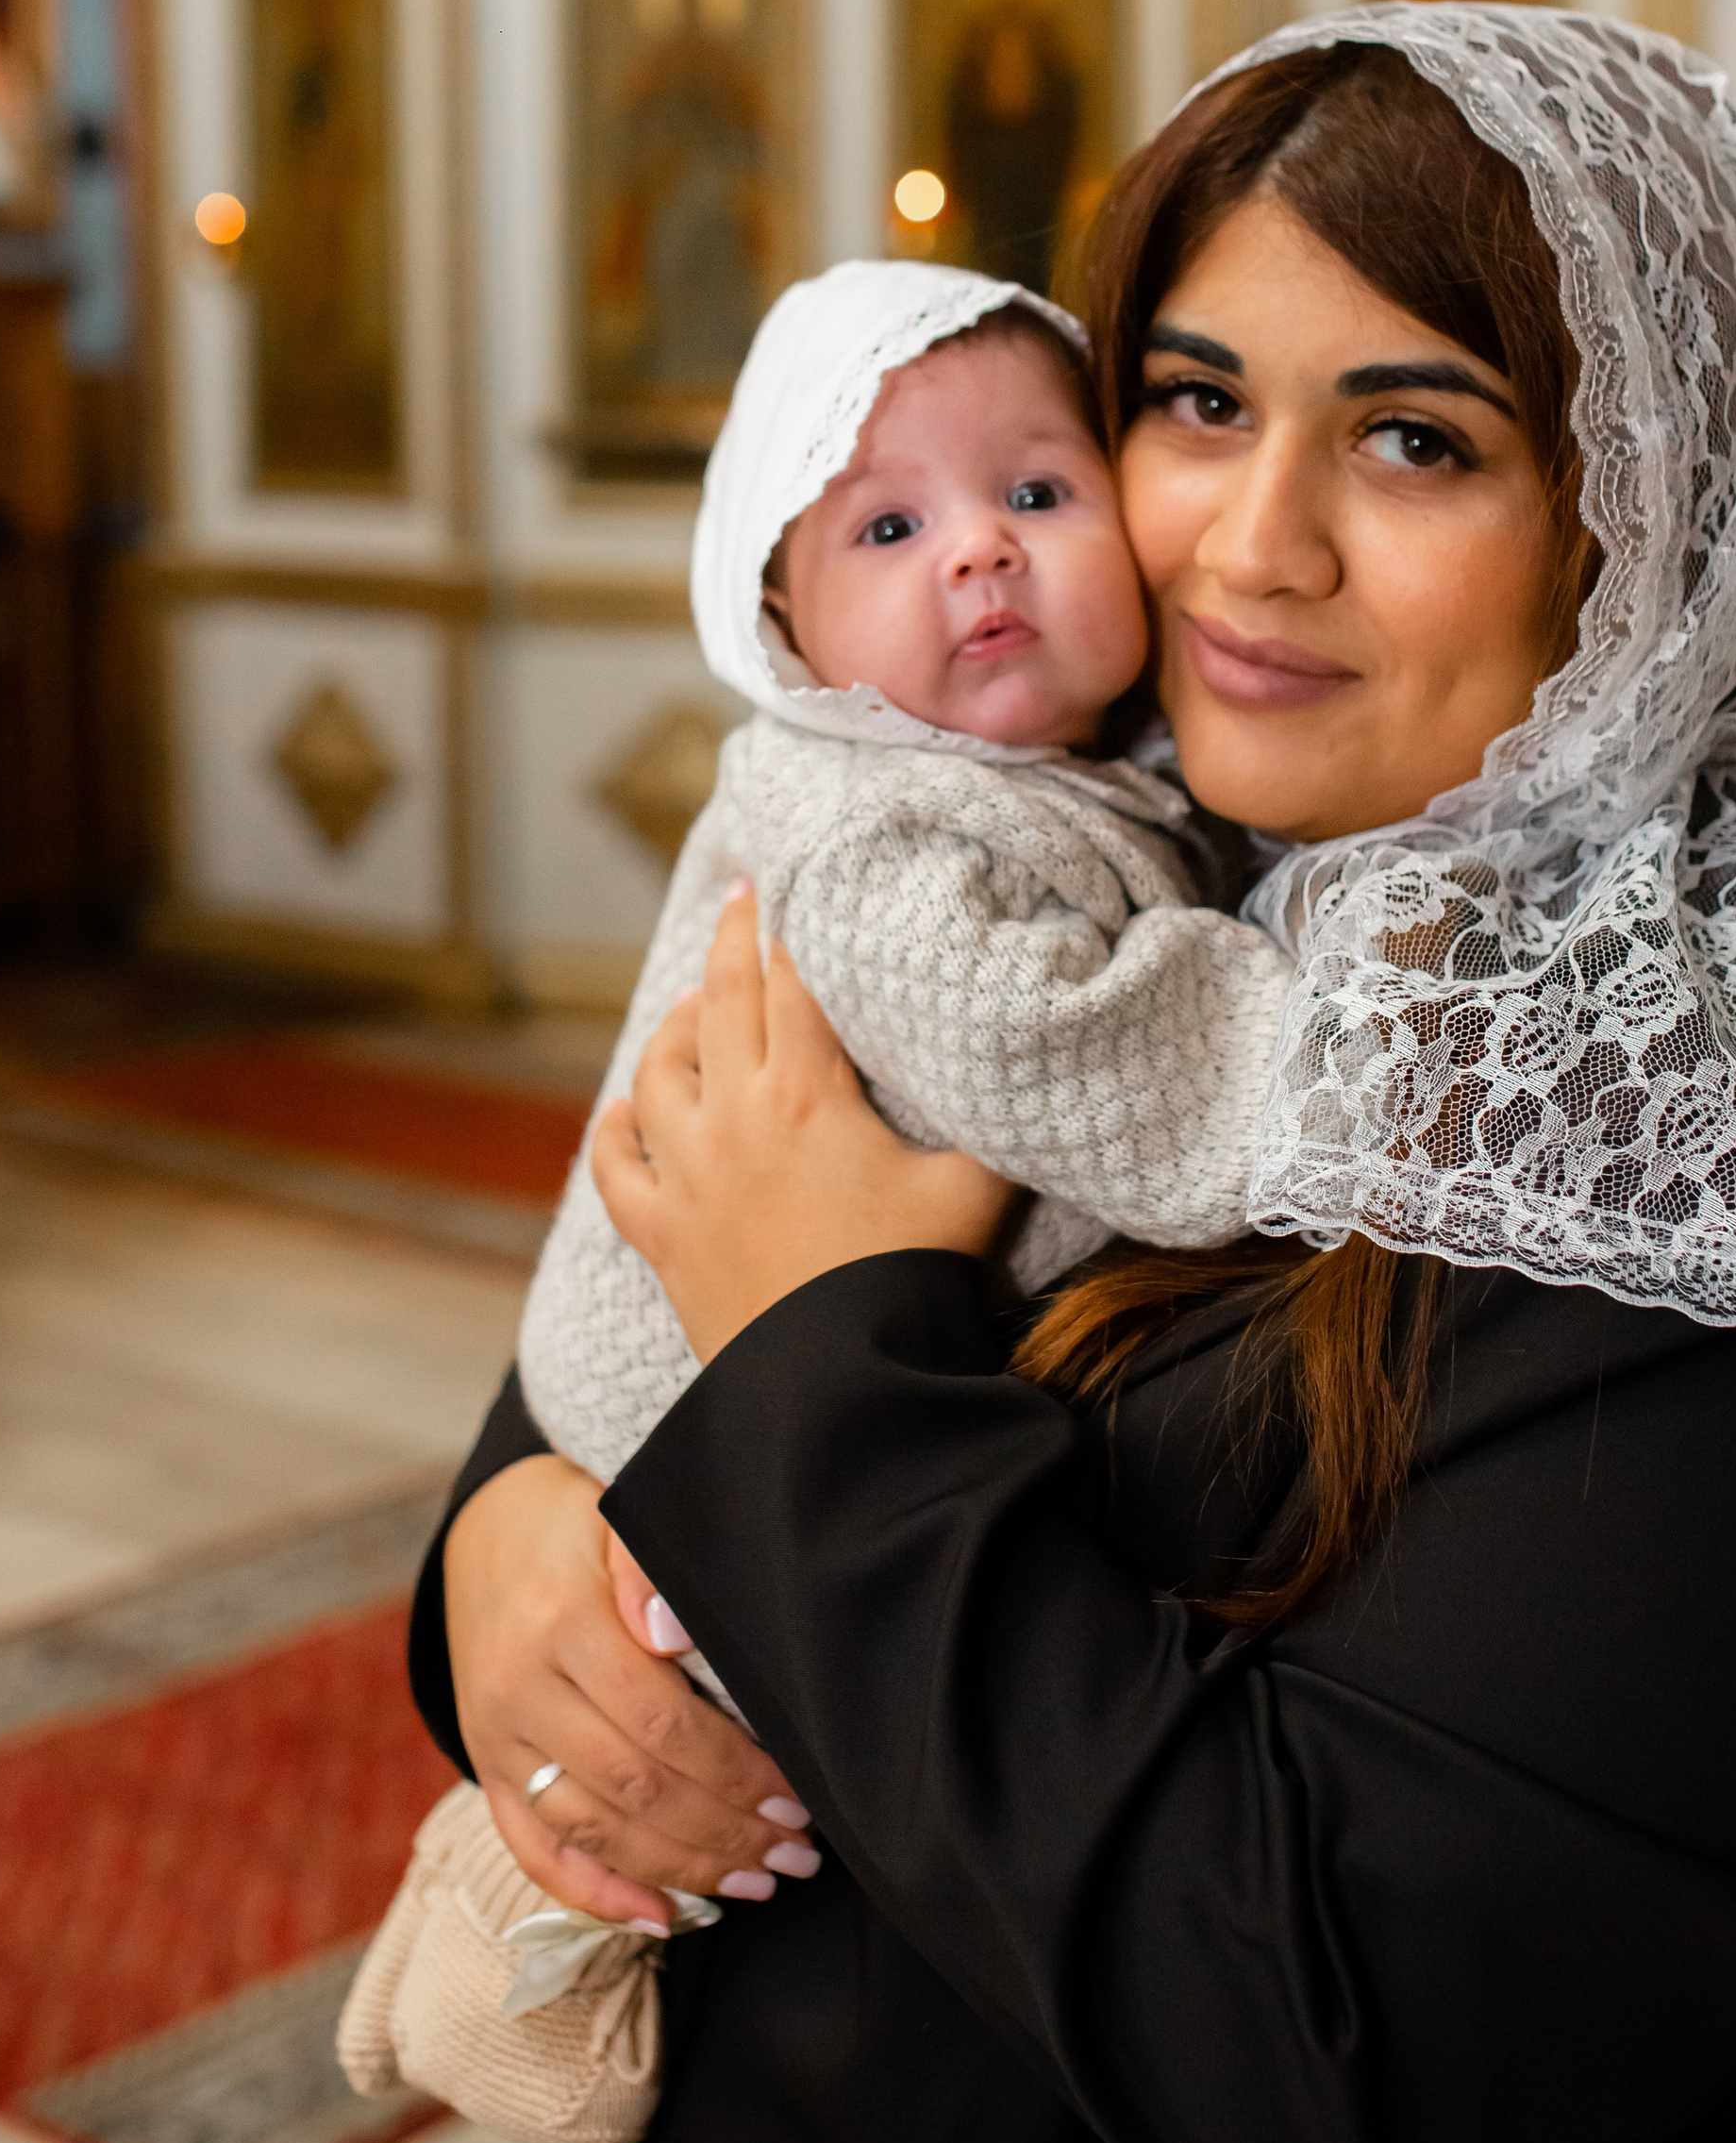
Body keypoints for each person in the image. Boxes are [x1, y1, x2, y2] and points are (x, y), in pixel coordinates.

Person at [414, 7, 1736, 2143]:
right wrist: (495, 1571)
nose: (1250, 545)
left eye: (1417, 437)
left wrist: (812, 1359)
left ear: (1653, 513)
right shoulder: (1184, 847)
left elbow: (1329, 2044)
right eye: (1188, 401)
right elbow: (652, 1281)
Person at [523, 250, 1288, 1515]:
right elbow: (1046, 1042)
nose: (982, 547)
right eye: (890, 528)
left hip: (851, 1381)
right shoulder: (864, 827)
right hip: (696, 1417)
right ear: (786, 623)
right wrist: (1321, 1022)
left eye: (1038, 492)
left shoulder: (1089, 770)